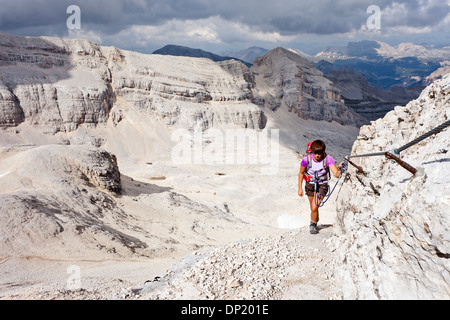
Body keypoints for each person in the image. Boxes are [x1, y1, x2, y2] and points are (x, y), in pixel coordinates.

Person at [298, 140, 344, 234]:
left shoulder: (328, 159)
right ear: (312, 152)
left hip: (322, 185)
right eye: (315, 153)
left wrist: (340, 168)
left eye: (320, 153)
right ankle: (315, 219)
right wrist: (300, 188)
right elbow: (301, 173)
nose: (317, 156)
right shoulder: (306, 159)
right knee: (313, 207)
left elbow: (336, 174)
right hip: (309, 185)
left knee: (314, 207)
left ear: (323, 152)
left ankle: (313, 224)